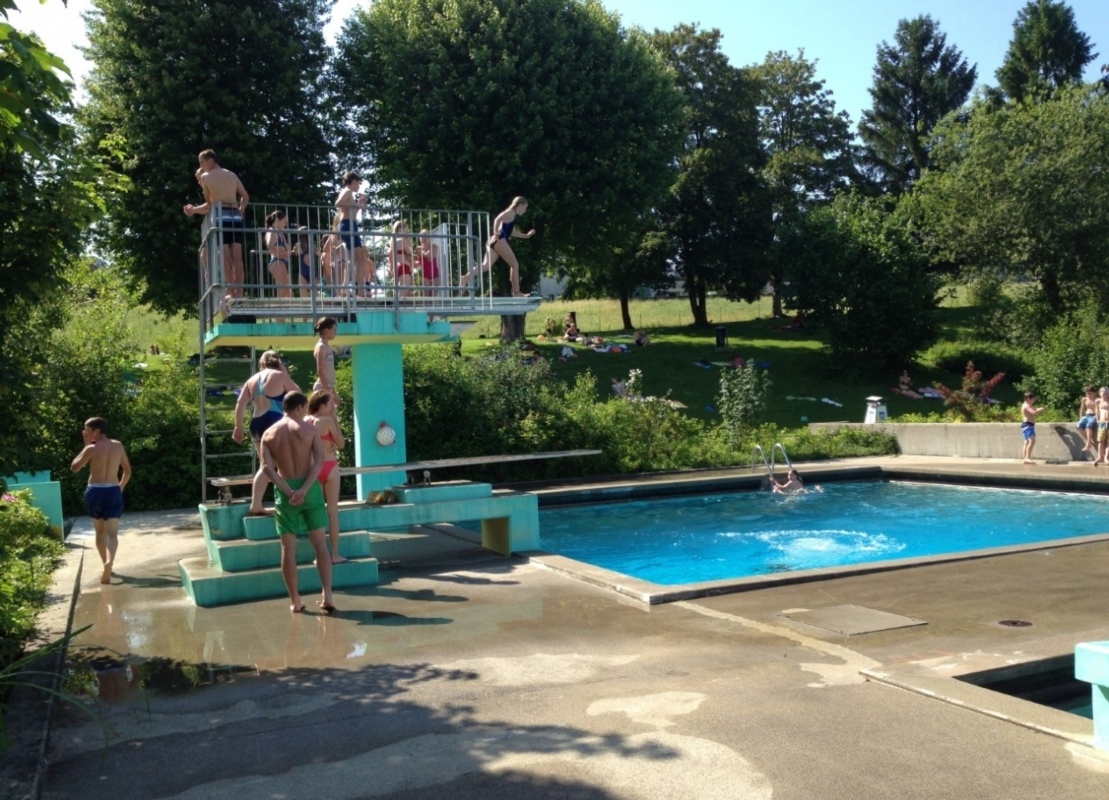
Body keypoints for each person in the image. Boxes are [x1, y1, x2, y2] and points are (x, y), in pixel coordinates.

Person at [260, 392, 336, 613]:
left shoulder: (268, 434)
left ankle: (295, 600)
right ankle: (328, 595)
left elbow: (266, 468)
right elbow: (319, 461)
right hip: (309, 487)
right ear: (300, 407)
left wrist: (289, 491)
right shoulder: (309, 430)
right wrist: (303, 489)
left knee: (288, 548)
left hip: (285, 491)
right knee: (320, 544)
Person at [232, 351, 302, 515]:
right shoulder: (280, 376)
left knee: (266, 466)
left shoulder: (252, 379)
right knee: (284, 464)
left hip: (256, 423)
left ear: (261, 364)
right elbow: (298, 395)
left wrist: (238, 427)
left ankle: (256, 504)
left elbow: (240, 403)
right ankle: (288, 501)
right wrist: (286, 373)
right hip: (274, 422)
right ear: (278, 363)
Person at [70, 417, 132, 584]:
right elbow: (127, 471)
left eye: (87, 429)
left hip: (95, 491)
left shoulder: (91, 448)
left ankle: (105, 562)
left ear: (97, 431)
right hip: (113, 491)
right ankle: (109, 563)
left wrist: (85, 447)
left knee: (100, 532)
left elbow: (74, 467)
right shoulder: (118, 446)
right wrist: (120, 487)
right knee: (112, 534)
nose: (85, 432)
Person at [184, 149, 249, 298]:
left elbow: (210, 203)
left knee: (225, 255)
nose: (201, 166)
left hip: (221, 215)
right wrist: (240, 210)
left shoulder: (206, 177)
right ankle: (240, 291)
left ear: (210, 161)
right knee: (238, 256)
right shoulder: (232, 175)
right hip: (235, 216)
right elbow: (245, 196)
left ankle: (231, 291)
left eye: (202, 162)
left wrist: (194, 209)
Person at [459, 196, 534, 296]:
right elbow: (497, 220)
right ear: (520, 205)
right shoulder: (510, 212)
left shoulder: (512, 216)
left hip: (493, 241)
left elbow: (513, 233)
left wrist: (527, 235)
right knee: (515, 264)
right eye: (524, 208)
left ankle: (465, 278)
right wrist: (495, 233)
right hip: (499, 240)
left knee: (486, 266)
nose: (524, 211)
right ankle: (516, 292)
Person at [305, 390, 346, 565]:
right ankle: (335, 554)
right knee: (332, 512)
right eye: (330, 404)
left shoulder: (305, 421)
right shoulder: (327, 420)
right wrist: (334, 418)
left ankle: (319, 556)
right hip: (329, 466)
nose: (332, 407)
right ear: (322, 405)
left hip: (313, 469)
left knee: (317, 513)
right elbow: (341, 444)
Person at [335, 171, 372, 296]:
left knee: (352, 259)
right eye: (358, 183)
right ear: (353, 181)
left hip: (350, 224)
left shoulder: (349, 193)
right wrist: (354, 204)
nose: (359, 186)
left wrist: (359, 205)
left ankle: (344, 288)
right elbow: (338, 203)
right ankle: (360, 289)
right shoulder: (347, 191)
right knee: (361, 258)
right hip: (347, 225)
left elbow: (352, 214)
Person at [265, 210, 292, 299]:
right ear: (277, 220)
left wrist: (286, 252)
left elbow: (288, 249)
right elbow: (269, 245)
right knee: (282, 292)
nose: (285, 225)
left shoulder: (280, 233)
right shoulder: (272, 231)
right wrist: (279, 252)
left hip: (282, 262)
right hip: (277, 262)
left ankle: (283, 307)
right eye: (284, 222)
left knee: (288, 292)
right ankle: (279, 307)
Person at [313, 317, 339, 405]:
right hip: (322, 388)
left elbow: (329, 374)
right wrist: (330, 393)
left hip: (327, 388)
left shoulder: (327, 346)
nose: (335, 333)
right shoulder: (321, 347)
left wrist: (333, 392)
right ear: (326, 331)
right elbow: (320, 372)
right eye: (334, 330)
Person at [389, 220, 415, 294]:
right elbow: (409, 252)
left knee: (405, 293)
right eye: (406, 230)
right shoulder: (402, 240)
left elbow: (390, 257)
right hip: (404, 267)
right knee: (403, 294)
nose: (407, 233)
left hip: (398, 267)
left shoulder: (393, 242)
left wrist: (391, 268)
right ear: (401, 229)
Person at [1021, 391, 1044, 464]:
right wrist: (1041, 409)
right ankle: (1027, 458)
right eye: (1033, 399)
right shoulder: (1026, 406)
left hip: (1026, 425)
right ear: (1028, 398)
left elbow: (1034, 409)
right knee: (1032, 441)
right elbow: (1033, 412)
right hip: (1028, 425)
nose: (1034, 401)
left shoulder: (1026, 405)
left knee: (1026, 442)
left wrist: (1039, 408)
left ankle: (1025, 458)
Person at [292, 225, 313, 296]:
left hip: (303, 269)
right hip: (312, 270)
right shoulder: (313, 245)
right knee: (314, 296)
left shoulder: (297, 245)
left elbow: (295, 253)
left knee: (304, 297)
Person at [417, 229, 440, 294]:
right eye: (422, 236)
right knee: (426, 298)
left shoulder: (435, 246)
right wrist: (431, 249)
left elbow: (430, 257)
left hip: (435, 274)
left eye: (426, 236)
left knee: (433, 297)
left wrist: (429, 250)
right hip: (424, 275)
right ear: (419, 238)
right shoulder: (418, 248)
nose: (424, 238)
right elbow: (428, 257)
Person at [1077, 386, 1098, 453]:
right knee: (1079, 426)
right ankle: (1089, 442)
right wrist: (1081, 417)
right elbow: (1082, 409)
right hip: (1087, 415)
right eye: (1087, 393)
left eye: (1090, 393)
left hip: (1094, 415)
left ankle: (1088, 444)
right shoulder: (1084, 399)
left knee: (1088, 426)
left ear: (1094, 393)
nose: (1088, 395)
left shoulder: (1097, 400)